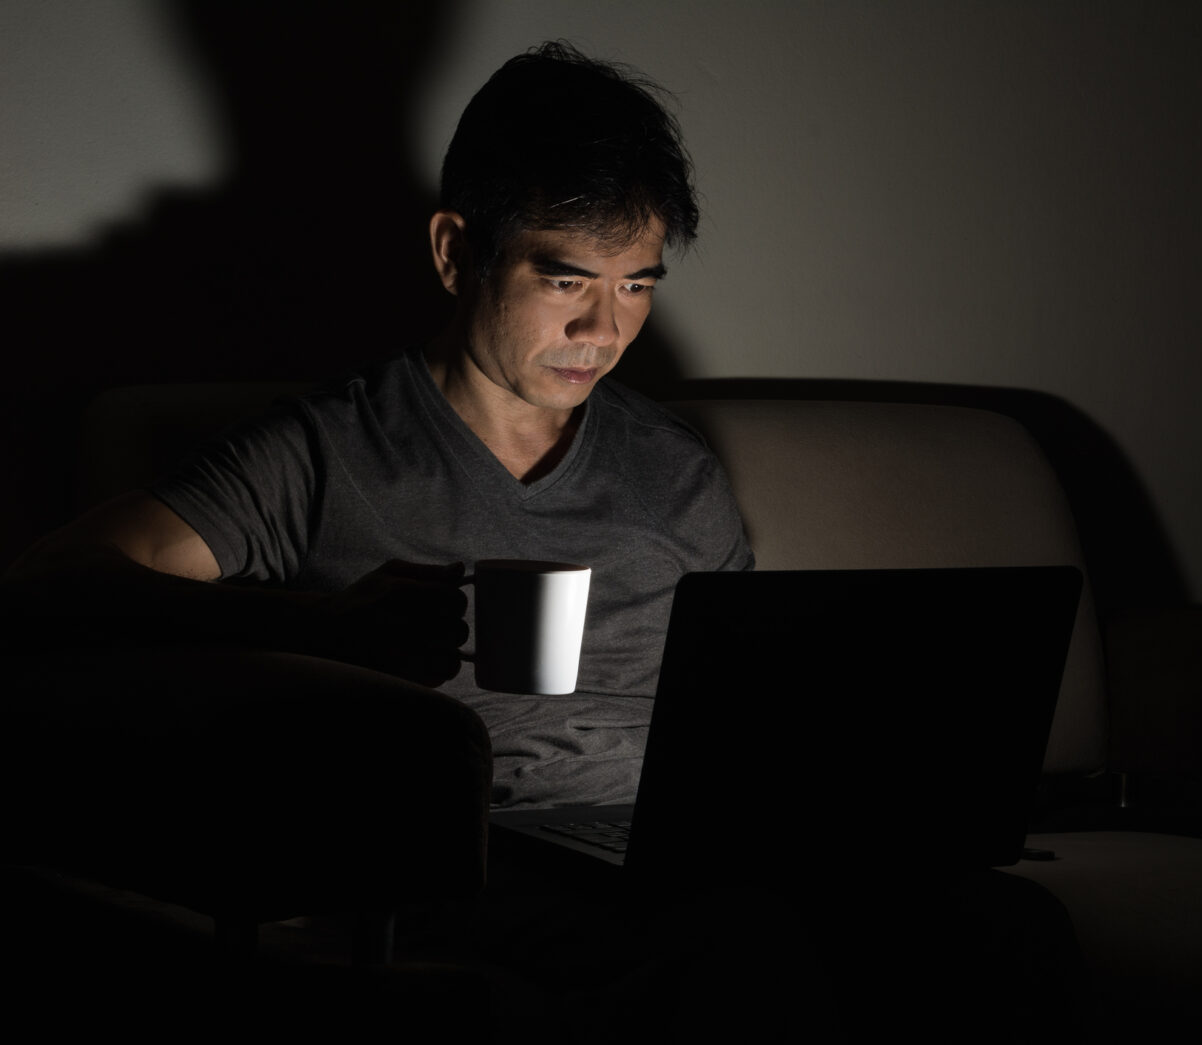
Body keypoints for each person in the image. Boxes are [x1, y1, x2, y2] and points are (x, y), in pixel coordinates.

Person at [6, 42, 751, 810]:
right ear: (456, 254)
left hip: (669, 868)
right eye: (565, 280)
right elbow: (54, 579)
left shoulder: (677, 469)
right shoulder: (331, 449)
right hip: (444, 874)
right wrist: (322, 626)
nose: (603, 328)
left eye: (635, 284)